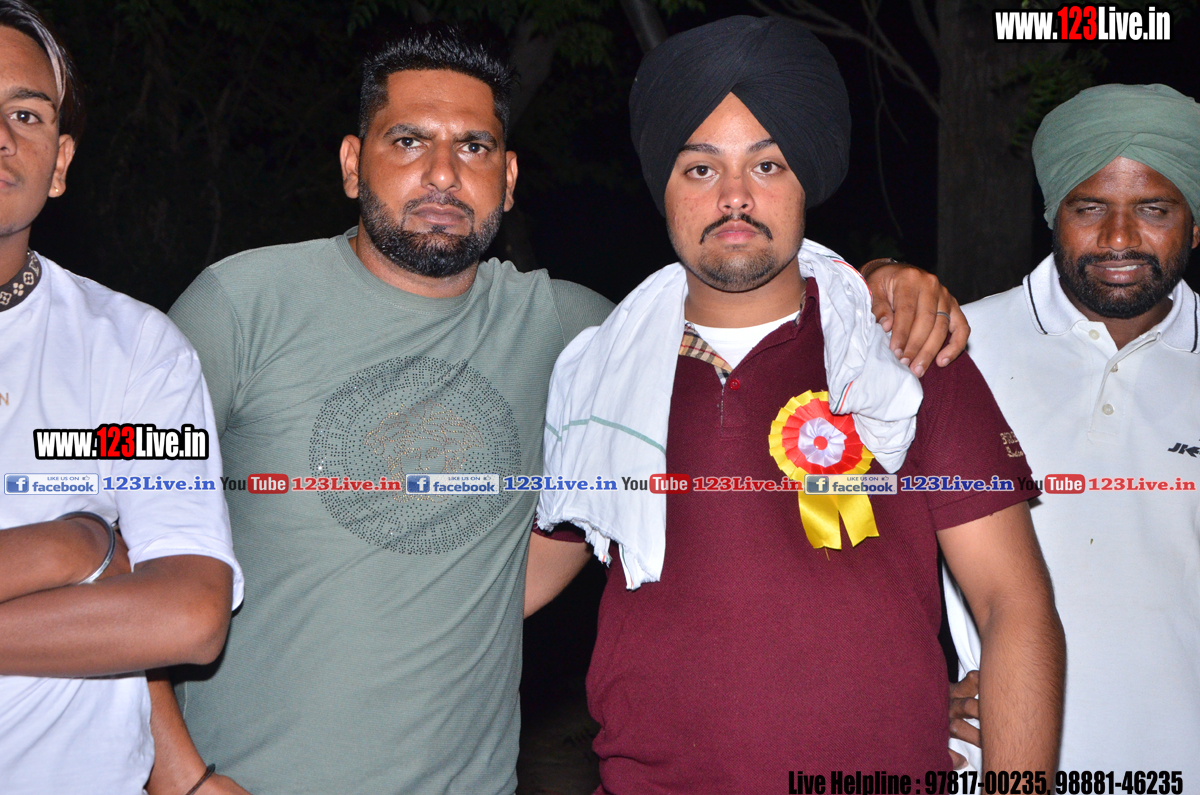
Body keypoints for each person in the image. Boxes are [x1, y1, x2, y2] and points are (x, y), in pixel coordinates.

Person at [160, 23, 970, 795]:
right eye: (407, 141)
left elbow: (746, 307)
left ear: (509, 178)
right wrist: (179, 774)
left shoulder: (580, 336)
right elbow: (113, 522)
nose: (442, 173)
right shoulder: (240, 305)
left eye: (473, 147)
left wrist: (879, 282)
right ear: (351, 163)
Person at [531, 16, 1065, 788]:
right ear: (664, 189)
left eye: (768, 164)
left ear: (806, 177)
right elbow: (509, 584)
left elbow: (1014, 604)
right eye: (700, 168)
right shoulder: (597, 380)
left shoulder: (906, 353)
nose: (736, 196)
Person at [0, 2, 242, 794]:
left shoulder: (136, 350)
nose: (0, 135)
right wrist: (74, 549)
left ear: (59, 161)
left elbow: (188, 613)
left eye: (26, 113)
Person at [944, 84, 1200, 778]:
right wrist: (904, 686)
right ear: (1054, 216)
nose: (1118, 238)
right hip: (997, 768)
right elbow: (863, 548)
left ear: (1194, 225)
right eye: (1089, 208)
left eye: (1153, 209)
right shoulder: (959, 347)